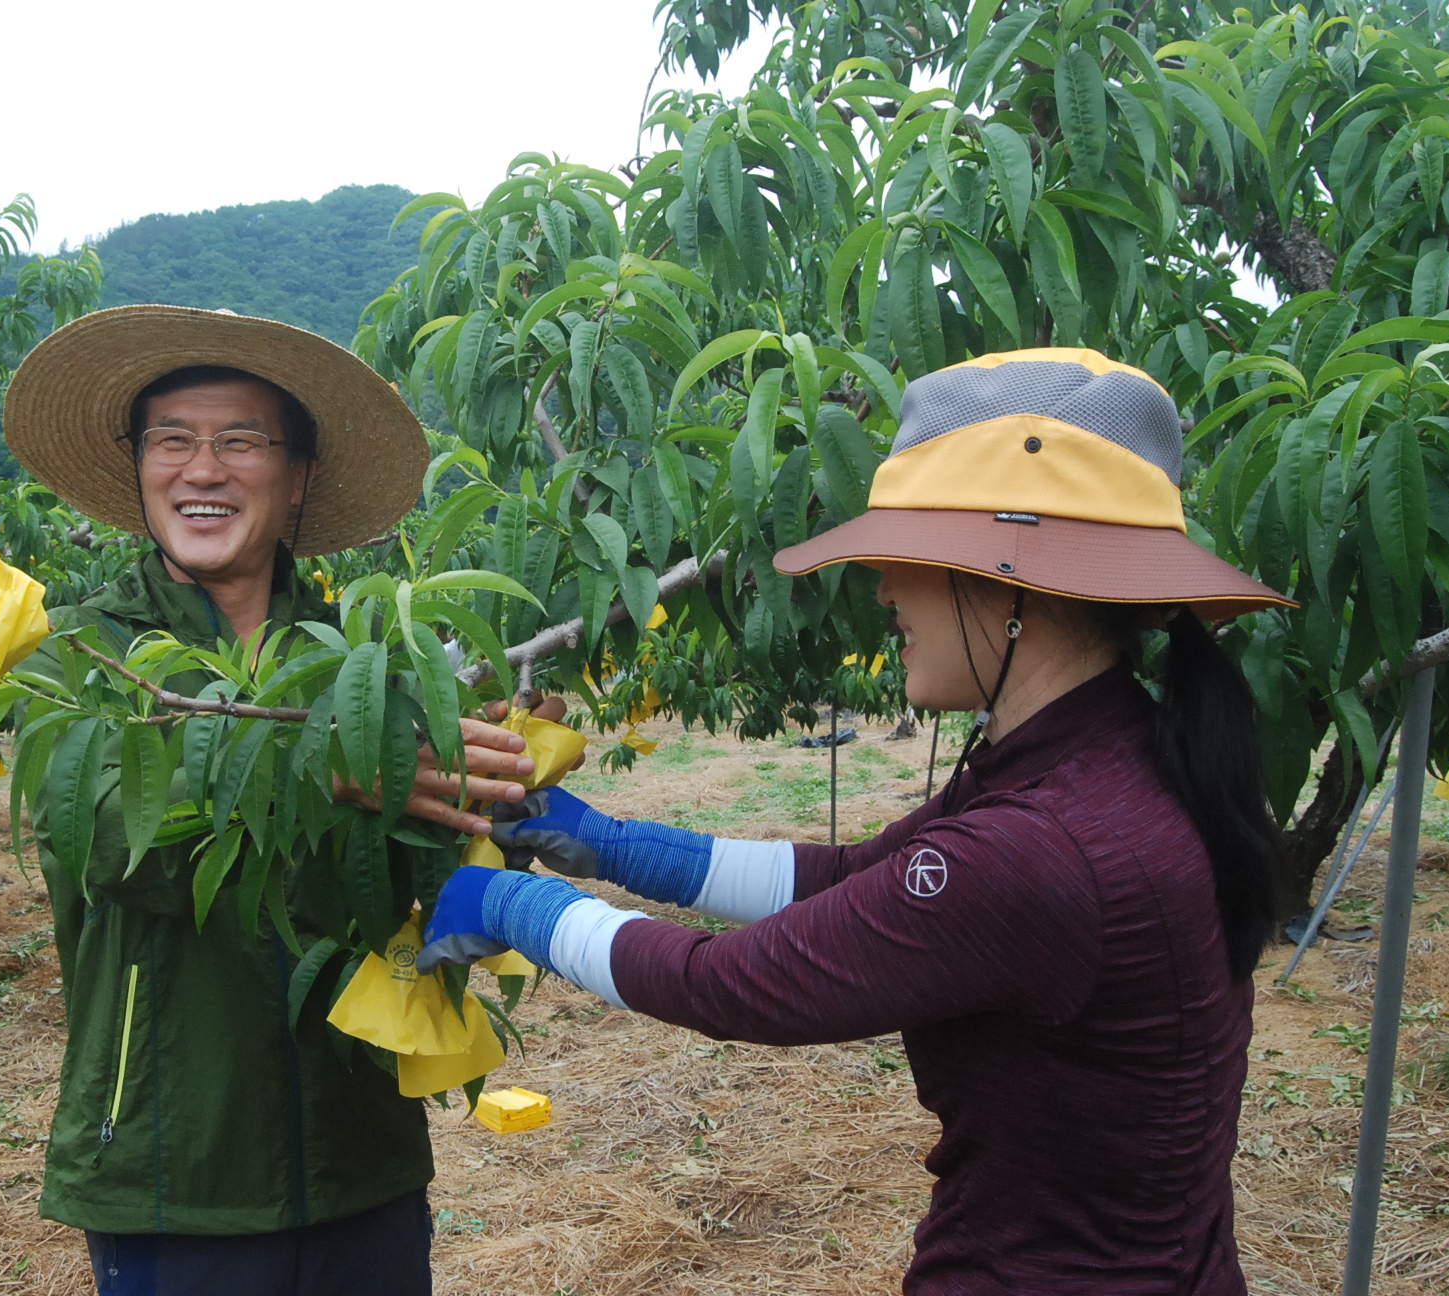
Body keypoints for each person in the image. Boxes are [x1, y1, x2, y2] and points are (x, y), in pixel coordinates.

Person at [418, 348, 1296, 1294]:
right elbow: (847, 877)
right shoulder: (1103, 753)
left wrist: (510, 906)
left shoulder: (1042, 846)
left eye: (905, 560)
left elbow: (729, 986)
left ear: (1001, 585)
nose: (881, 591)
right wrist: (608, 843)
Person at [3, 305, 542, 1296]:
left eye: (239, 441)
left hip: (360, 1153)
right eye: (171, 439)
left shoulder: (370, 668)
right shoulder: (75, 653)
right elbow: (122, 844)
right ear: (138, 469)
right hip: (175, 1166)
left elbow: (423, 893)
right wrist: (321, 767)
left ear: (297, 479)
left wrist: (492, 795)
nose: (200, 470)